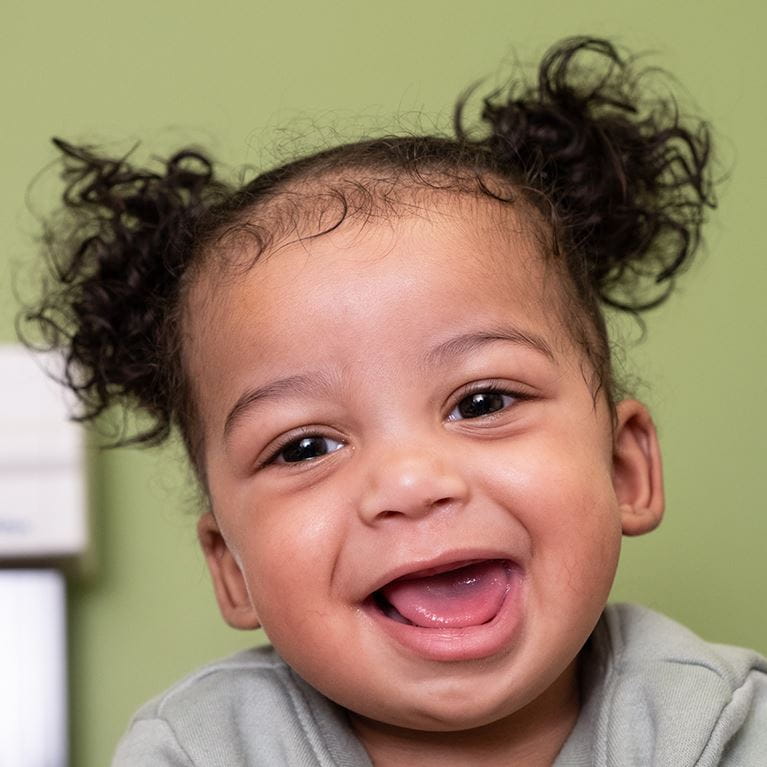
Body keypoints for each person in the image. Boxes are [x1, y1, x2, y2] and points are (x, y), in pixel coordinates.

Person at [22, 36, 766, 766]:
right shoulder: (200, 748)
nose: (409, 483)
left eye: (480, 401)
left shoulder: (726, 725)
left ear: (623, 466)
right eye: (305, 446)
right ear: (232, 569)